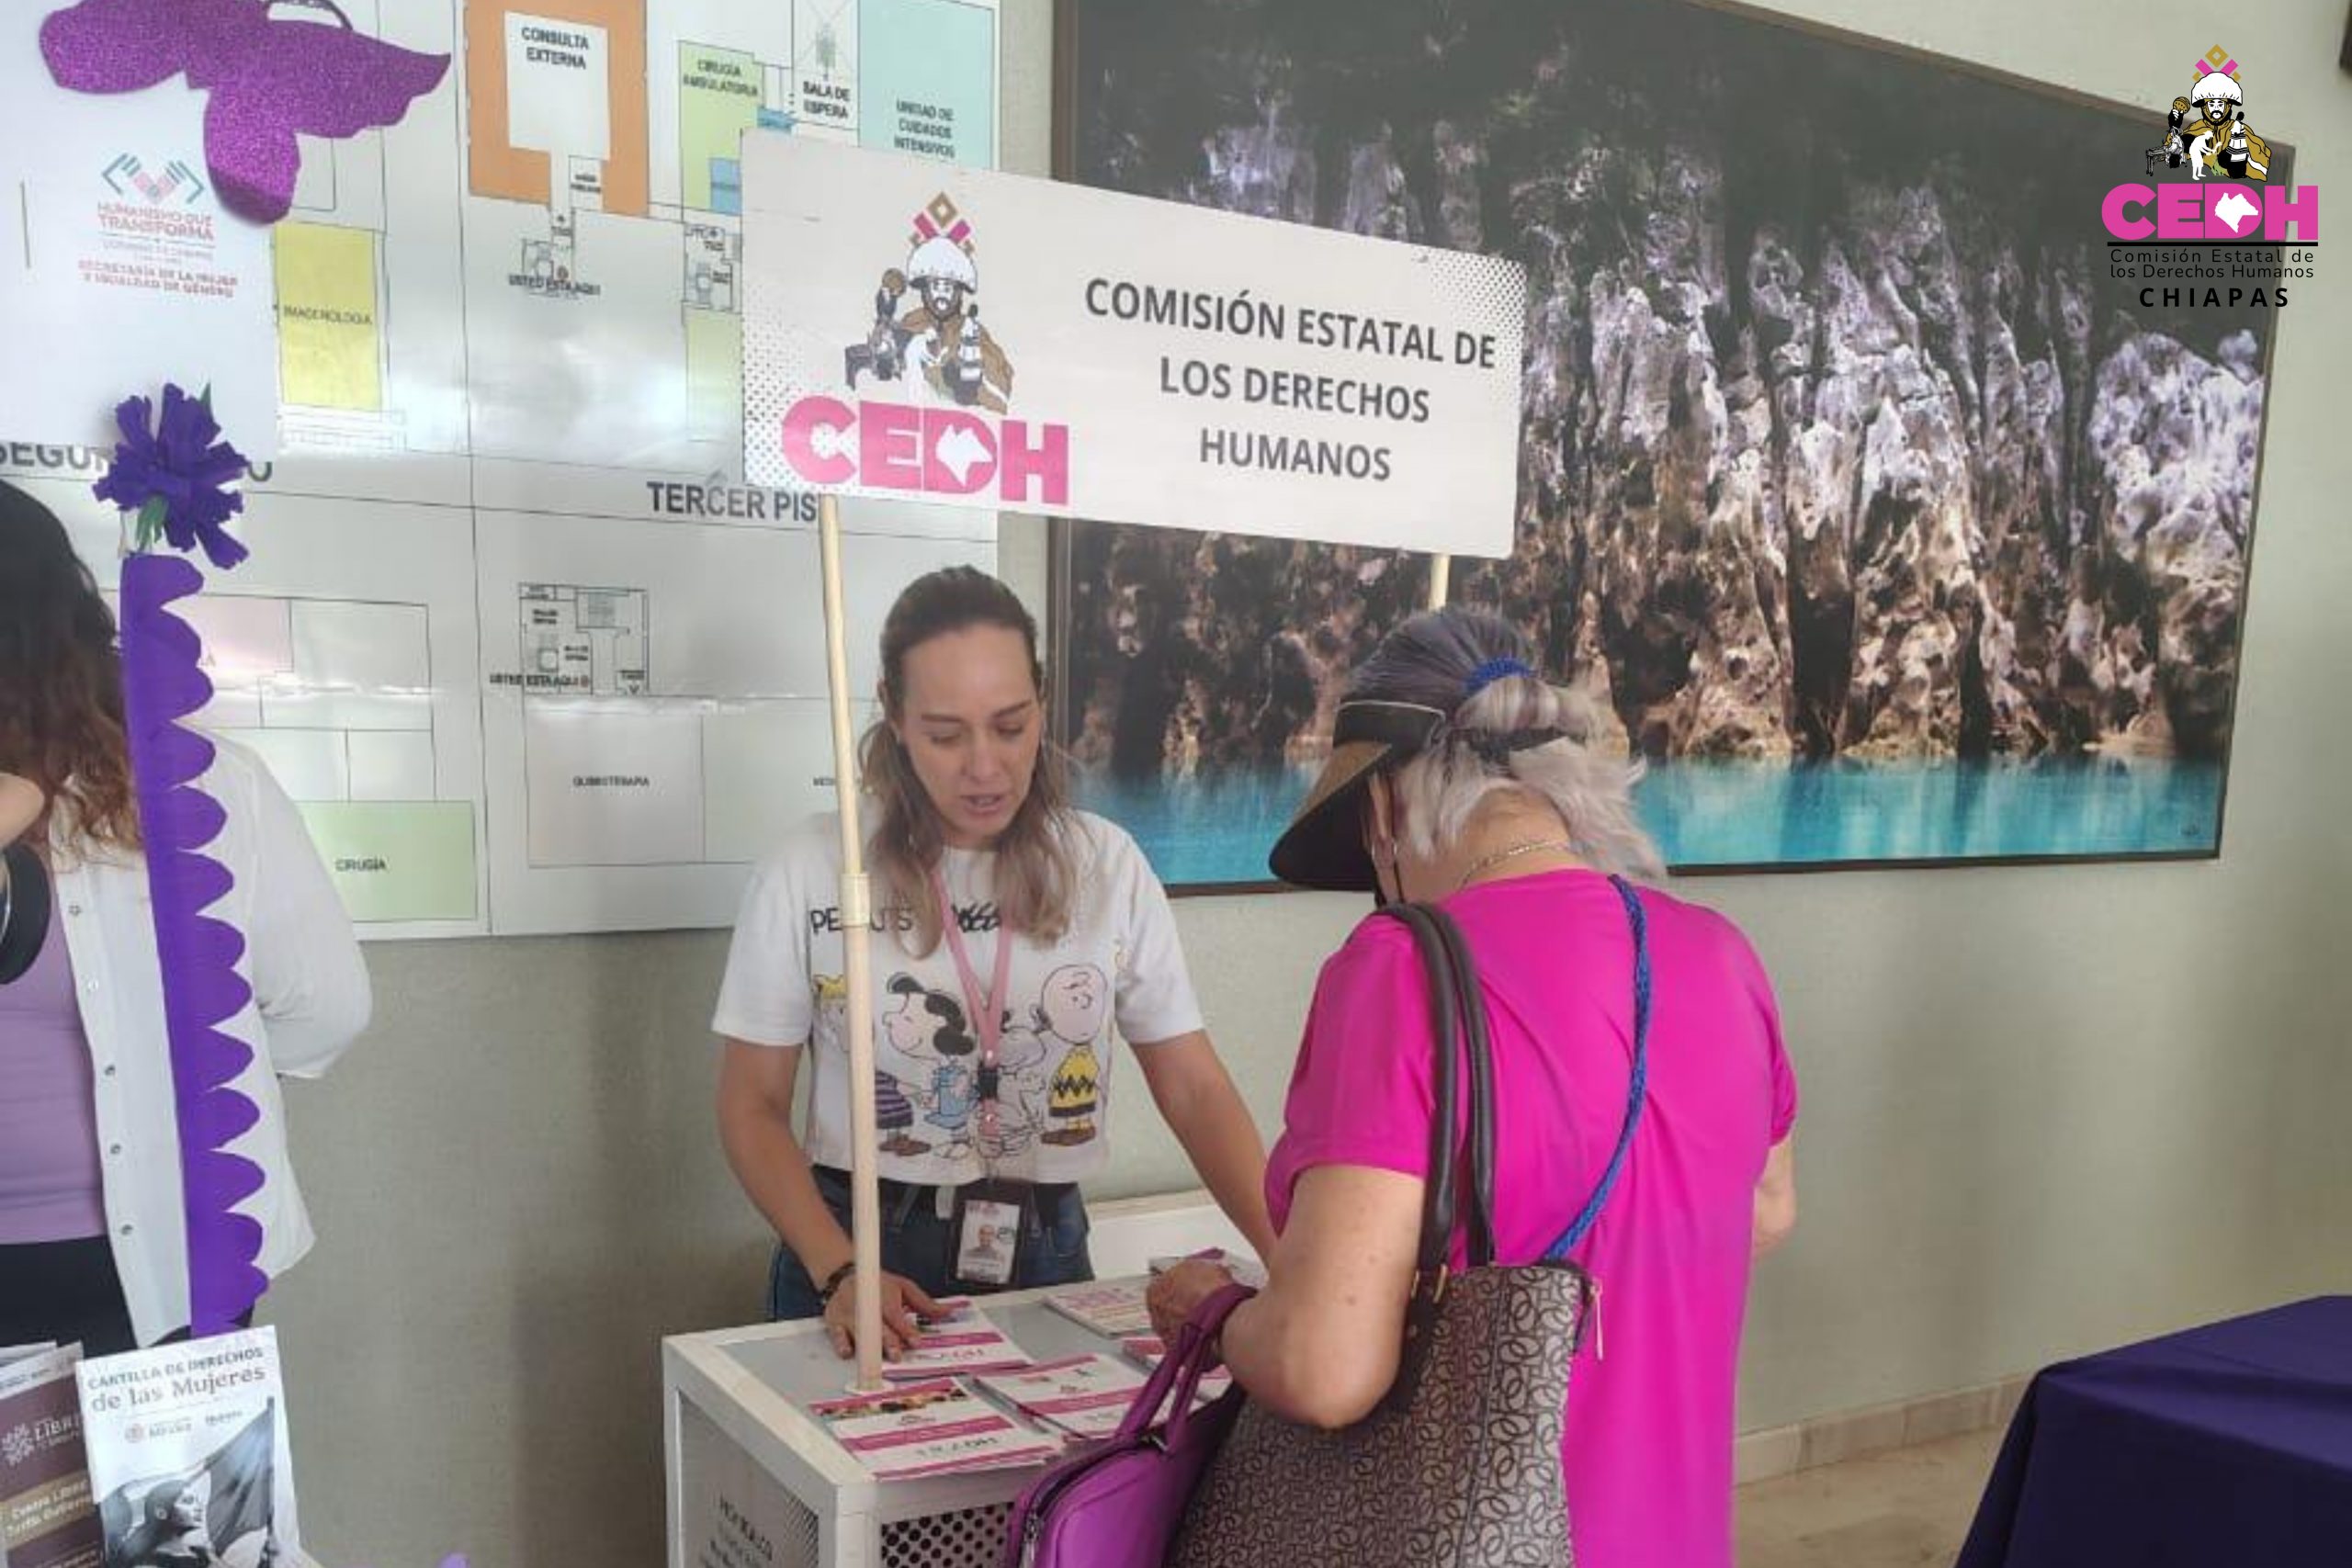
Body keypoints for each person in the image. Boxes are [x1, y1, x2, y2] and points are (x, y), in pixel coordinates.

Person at [1149, 606, 1799, 1568]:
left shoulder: (1396, 971)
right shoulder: (1719, 954)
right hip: (1678, 1533)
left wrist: (1209, 1309)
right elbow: (1767, 1210)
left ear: (1382, 810)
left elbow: (1325, 1370)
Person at [714, 566, 1275, 1359]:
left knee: (1057, 1486)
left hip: (1044, 1245)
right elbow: (751, 1105)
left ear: (1042, 702)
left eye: (1010, 726)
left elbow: (1194, 1086)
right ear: (895, 716)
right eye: (946, 734)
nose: (984, 766)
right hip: (860, 1248)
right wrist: (839, 1268)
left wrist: (1292, 1260)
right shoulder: (814, 866)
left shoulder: (1104, 864)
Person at [0, 481, 371, 1356]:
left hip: (162, 1262)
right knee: (179, 1501)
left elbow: (326, 1010)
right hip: (173, 1254)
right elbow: (326, 1006)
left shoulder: (203, 784)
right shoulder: (204, 781)